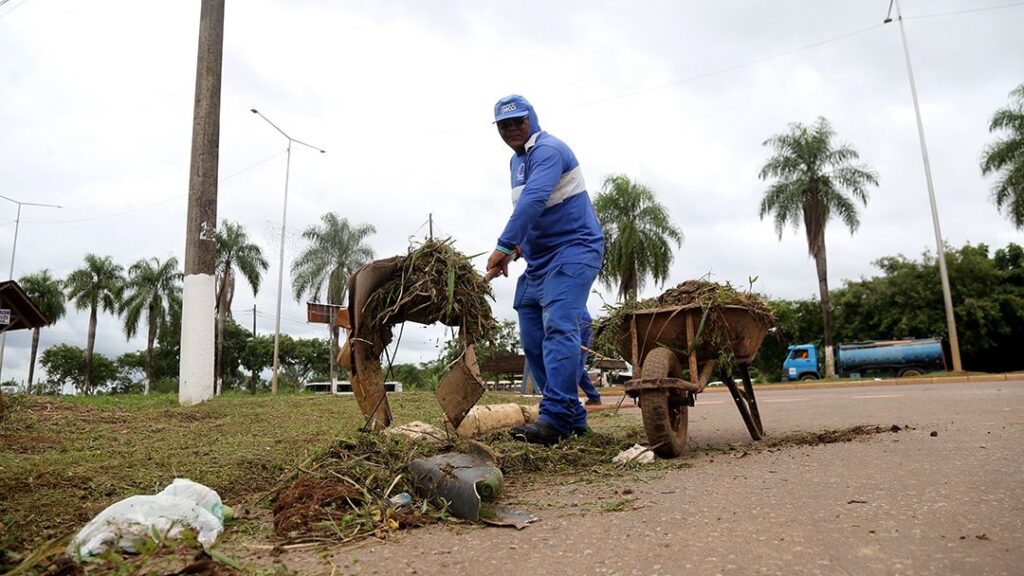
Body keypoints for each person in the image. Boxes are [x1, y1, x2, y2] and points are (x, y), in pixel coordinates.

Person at [485, 94, 604, 445]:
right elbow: (533, 212)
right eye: (504, 125)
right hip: (538, 260)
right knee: (532, 335)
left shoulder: (549, 150)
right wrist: (516, 248)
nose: (511, 129)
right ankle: (572, 414)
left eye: (518, 122)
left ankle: (554, 417)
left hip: (574, 249)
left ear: (532, 119)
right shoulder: (515, 162)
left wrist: (503, 245)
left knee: (559, 324)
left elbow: (536, 198)